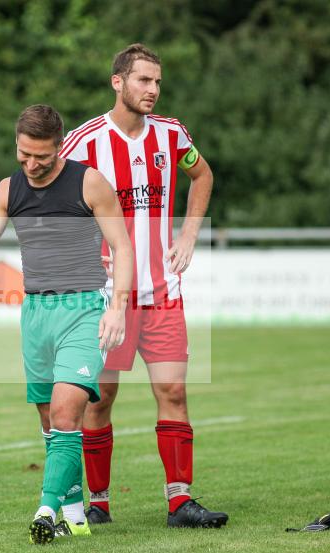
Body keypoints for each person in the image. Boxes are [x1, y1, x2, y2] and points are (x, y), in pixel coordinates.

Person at [0, 104, 133, 543]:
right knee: (51, 421)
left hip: (84, 311)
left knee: (65, 410)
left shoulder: (89, 182)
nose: (32, 164)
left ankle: (46, 510)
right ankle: (77, 517)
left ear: (59, 146)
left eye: (40, 156)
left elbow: (123, 246)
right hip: (36, 314)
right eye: (24, 155)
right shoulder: (9, 189)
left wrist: (117, 306)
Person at [60, 43, 228, 528]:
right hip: (107, 298)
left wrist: (191, 232)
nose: (153, 90)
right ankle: (99, 502)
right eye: (143, 81)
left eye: (157, 82)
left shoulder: (172, 135)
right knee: (101, 397)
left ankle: (180, 501)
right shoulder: (84, 141)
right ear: (118, 82)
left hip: (162, 292)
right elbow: (53, 189)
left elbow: (202, 174)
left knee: (173, 390)